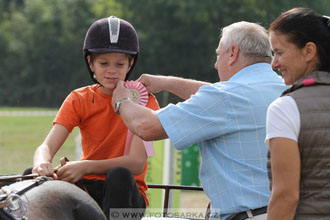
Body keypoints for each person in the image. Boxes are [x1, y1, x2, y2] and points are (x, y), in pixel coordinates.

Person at [112, 21, 287, 219]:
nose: (215, 63)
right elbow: (219, 96)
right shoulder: (287, 90)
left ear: (233, 53)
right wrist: (166, 82)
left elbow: (146, 127)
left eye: (218, 54)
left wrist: (122, 101)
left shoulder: (225, 98)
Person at [29, 16, 159, 219]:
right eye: (103, 63)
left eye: (119, 64)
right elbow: (45, 147)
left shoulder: (144, 100)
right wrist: (41, 163)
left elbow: (136, 163)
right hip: (86, 189)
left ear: (130, 63)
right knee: (34, 176)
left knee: (119, 175)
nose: (111, 71)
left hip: (126, 194)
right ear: (91, 63)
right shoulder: (78, 99)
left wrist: (84, 166)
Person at [265, 8, 330, 220]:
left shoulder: (285, 108)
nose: (274, 63)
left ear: (309, 51)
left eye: (279, 52)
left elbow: (286, 196)